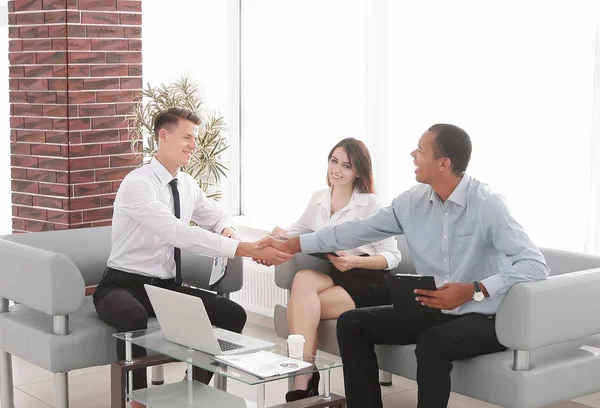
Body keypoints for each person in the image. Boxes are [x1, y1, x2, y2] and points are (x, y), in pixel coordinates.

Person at [257, 124, 549, 408]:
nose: (413, 154)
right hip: (433, 309)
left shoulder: (488, 204)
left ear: (443, 163)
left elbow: (534, 264)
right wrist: (293, 244)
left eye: (421, 150)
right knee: (352, 323)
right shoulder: (412, 201)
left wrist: (475, 289)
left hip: (482, 317)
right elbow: (356, 231)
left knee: (432, 343)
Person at [93, 107, 292, 407]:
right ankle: (135, 401)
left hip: (164, 286)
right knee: (132, 315)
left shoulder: (186, 184)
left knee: (232, 314)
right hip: (121, 285)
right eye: (187, 137)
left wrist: (228, 230)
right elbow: (178, 233)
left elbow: (217, 215)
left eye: (195, 139)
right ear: (163, 135)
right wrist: (248, 249)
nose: (193, 145)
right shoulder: (138, 184)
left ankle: (189, 390)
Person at [263, 138, 401, 402]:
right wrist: (281, 233)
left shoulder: (371, 203)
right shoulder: (319, 198)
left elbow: (393, 255)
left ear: (358, 171)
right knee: (302, 278)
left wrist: (356, 260)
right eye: (333, 161)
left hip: (370, 280)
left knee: (299, 306)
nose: (336, 169)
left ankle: (303, 379)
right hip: (338, 273)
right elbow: (299, 232)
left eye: (346, 165)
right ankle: (305, 373)